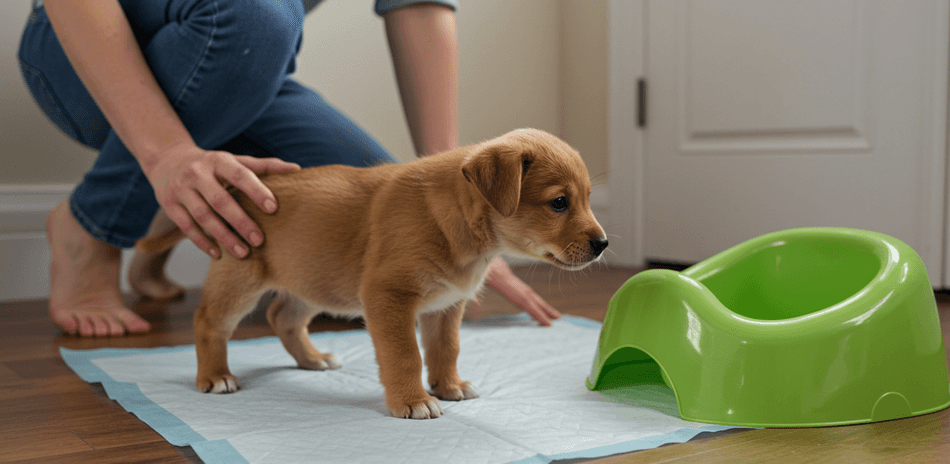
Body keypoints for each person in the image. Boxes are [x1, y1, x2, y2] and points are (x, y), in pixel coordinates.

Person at [18, 0, 561, 337]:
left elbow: (417, 4)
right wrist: (165, 155)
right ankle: (90, 227)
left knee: (363, 220)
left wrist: (459, 201)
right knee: (255, 13)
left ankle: (168, 221)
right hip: (83, 55)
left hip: (242, 71)